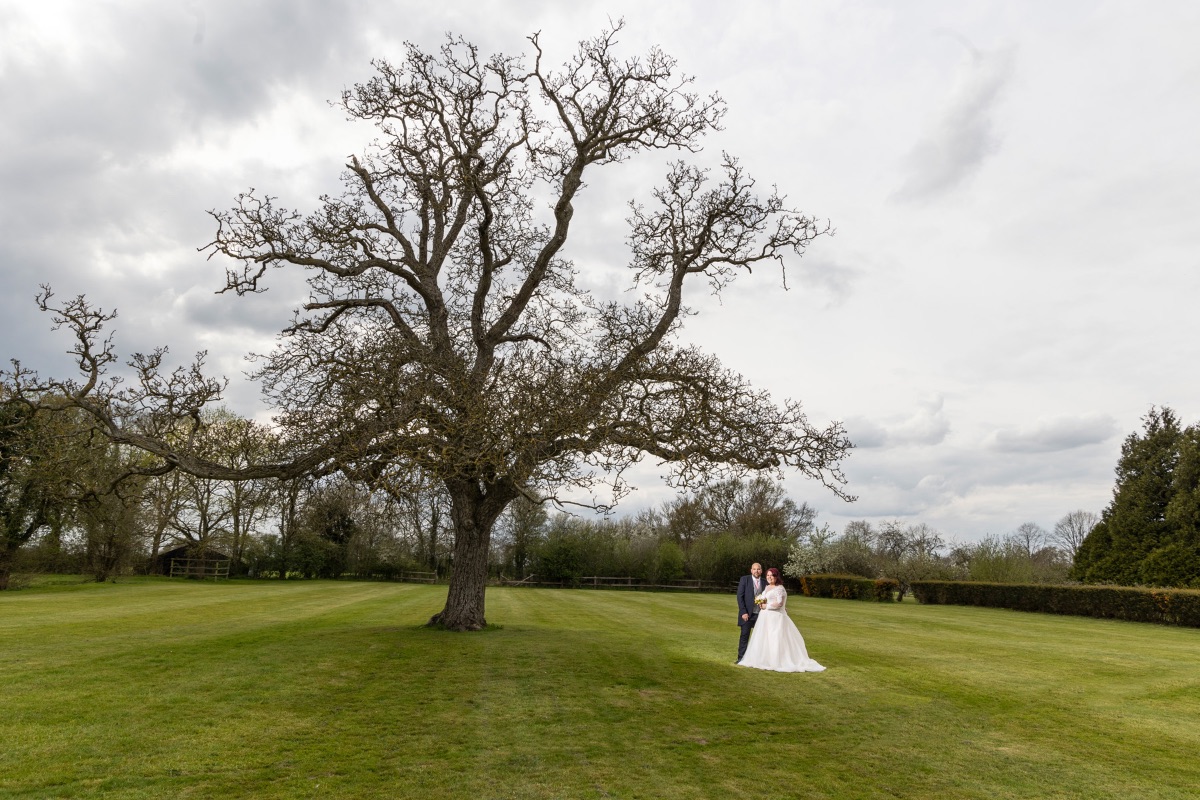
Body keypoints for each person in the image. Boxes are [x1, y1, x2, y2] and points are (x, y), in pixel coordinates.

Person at [737, 567, 825, 673]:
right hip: (765, 617)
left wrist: (766, 606)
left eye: (772, 575)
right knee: (765, 638)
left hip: (775, 618)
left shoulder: (779, 588)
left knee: (776, 638)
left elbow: (779, 603)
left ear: (776, 576)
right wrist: (761, 603)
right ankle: (765, 660)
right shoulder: (767, 587)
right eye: (768, 575)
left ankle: (777, 661)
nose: (769, 577)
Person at [736, 562, 765, 662]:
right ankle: (741, 659)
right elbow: (740, 596)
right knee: (744, 636)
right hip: (747, 614)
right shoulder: (745, 579)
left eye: (758, 569)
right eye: (754, 569)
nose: (756, 571)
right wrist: (743, 612)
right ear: (751, 570)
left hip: (761, 614)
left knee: (760, 637)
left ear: (761, 571)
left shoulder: (765, 582)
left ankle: (758, 659)